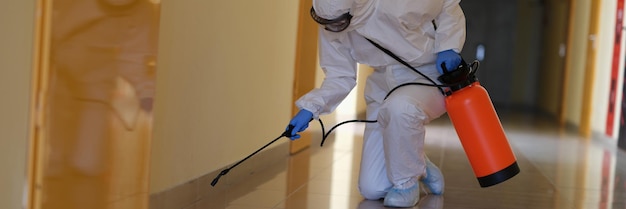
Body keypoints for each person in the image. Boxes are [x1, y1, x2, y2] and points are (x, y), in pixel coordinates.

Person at [286, 0, 465, 207]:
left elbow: (447, 4)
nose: (333, 29)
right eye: (328, 23)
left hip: (425, 75)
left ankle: (407, 184)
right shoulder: (330, 19)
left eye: (338, 23)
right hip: (382, 83)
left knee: (400, 108)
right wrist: (310, 108)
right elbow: (340, 75)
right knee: (372, 188)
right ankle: (414, 158)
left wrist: (449, 45)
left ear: (353, 9)